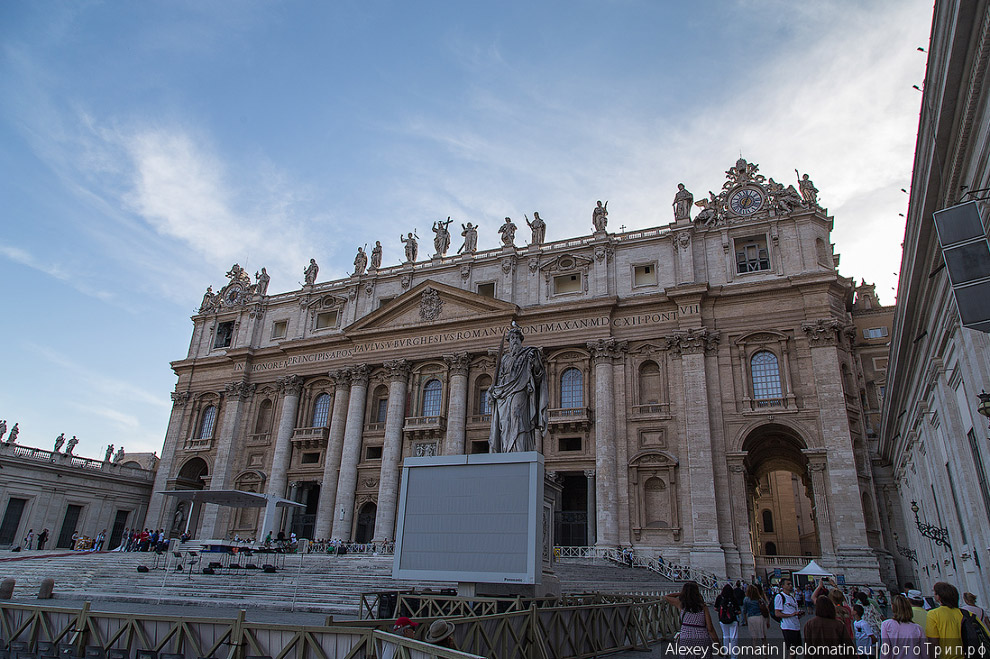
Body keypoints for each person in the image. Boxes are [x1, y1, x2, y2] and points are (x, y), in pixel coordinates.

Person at [488, 323, 548, 453]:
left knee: (517, 414)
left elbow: (538, 376)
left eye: (517, 338)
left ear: (521, 340)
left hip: (520, 388)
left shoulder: (529, 354)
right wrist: (493, 390)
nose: (514, 341)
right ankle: (507, 449)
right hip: (505, 392)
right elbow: (499, 378)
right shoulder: (504, 358)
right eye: (512, 338)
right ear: (509, 342)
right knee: (505, 422)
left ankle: (519, 449)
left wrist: (535, 362)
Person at [664, 581, 720, 655]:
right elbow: (710, 628)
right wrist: (718, 646)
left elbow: (666, 596)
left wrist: (683, 593)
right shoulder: (703, 606)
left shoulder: (681, 604)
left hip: (686, 638)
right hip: (702, 638)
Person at [880, 595, 926, 659]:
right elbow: (924, 653)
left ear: (893, 607)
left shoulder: (886, 625)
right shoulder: (918, 628)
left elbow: (885, 649)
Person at [775, 578, 804, 657]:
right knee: (792, 650)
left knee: (795, 650)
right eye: (788, 584)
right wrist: (791, 615)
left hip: (795, 626)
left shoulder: (792, 597)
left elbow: (794, 611)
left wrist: (799, 614)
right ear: (783, 586)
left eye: (791, 584)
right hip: (787, 627)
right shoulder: (780, 596)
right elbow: (777, 613)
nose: (790, 586)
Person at [715, 584, 740, 653]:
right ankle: (733, 655)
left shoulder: (720, 597)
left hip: (722, 619)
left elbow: (715, 608)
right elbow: (738, 610)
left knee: (725, 636)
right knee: (733, 637)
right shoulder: (733, 598)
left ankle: (726, 652)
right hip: (733, 619)